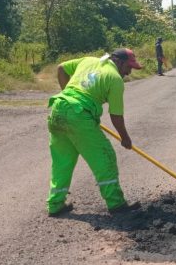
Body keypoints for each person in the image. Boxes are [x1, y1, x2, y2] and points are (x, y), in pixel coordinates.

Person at [46, 48, 143, 216]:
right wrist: (125, 138)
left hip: (57, 109)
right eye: (129, 66)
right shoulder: (115, 79)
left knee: (63, 161)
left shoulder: (89, 60)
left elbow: (61, 68)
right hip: (79, 116)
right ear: (118, 62)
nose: (129, 71)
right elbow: (116, 116)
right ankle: (116, 204)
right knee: (105, 158)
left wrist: (67, 95)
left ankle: (55, 204)